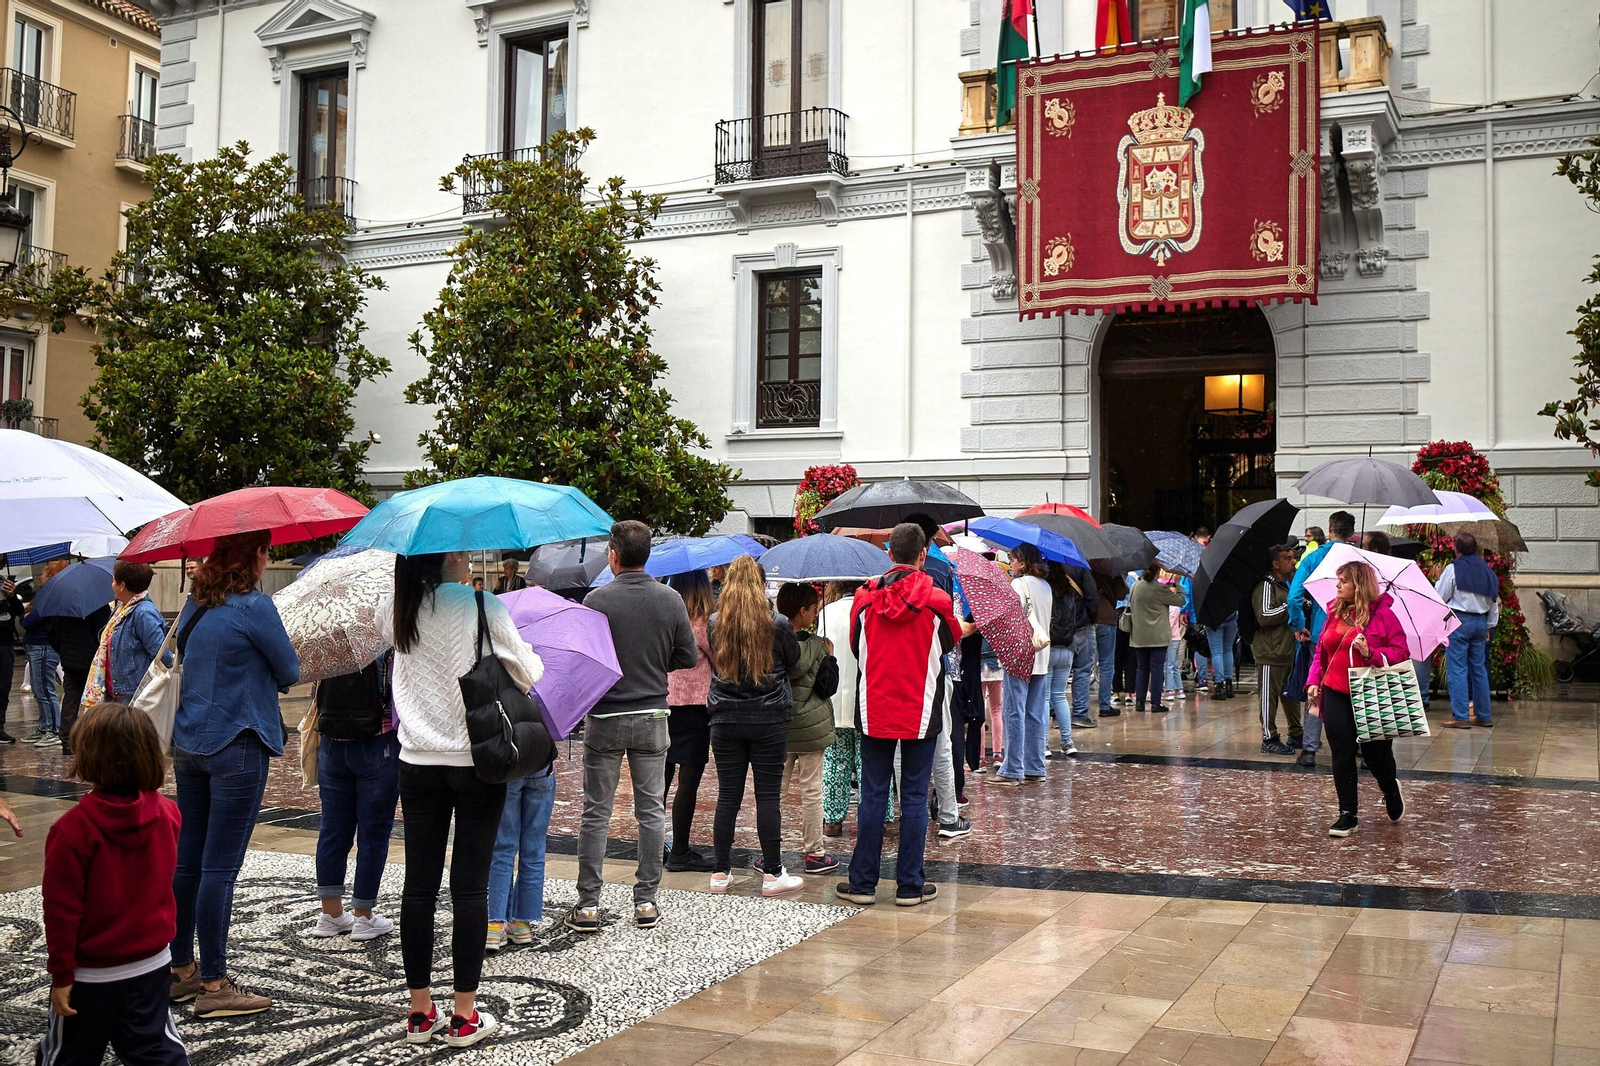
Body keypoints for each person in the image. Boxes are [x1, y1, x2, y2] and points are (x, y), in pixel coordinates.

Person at [380, 550, 542, 1047]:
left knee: (419, 887)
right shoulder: (482, 605)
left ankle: (419, 1012)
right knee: (469, 888)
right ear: (451, 556)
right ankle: (464, 1015)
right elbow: (528, 672)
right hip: (475, 761)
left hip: (418, 760)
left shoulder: (400, 608)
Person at [165, 531, 298, 1020]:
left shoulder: (195, 605)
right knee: (220, 867)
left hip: (190, 744)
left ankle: (181, 970)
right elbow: (289, 669)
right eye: (265, 552)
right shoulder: (254, 607)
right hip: (237, 743)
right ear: (255, 557)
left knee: (189, 862)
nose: (268, 559)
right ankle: (217, 985)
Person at [40, 702, 187, 1066]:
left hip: (91, 973)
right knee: (156, 1049)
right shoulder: (168, 812)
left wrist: (61, 974)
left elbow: (61, 913)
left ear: (86, 756)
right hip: (152, 962)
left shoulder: (72, 831)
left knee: (68, 1054)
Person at [569, 521, 696, 932]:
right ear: (647, 556)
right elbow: (688, 657)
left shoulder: (596, 600)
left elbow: (583, 657)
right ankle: (646, 901)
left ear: (614, 555)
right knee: (650, 811)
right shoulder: (671, 599)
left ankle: (588, 904)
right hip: (652, 716)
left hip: (605, 715)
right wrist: (656, 663)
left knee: (595, 812)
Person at [836, 523, 971, 907]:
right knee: (914, 795)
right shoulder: (937, 599)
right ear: (922, 555)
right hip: (921, 705)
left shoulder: (864, 598)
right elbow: (948, 642)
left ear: (889, 553)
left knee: (873, 794)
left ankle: (862, 882)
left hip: (875, 704)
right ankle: (909, 884)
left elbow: (856, 647)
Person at [706, 557, 802, 895]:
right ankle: (773, 874)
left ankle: (720, 872)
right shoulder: (778, 623)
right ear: (762, 586)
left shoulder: (717, 622)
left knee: (727, 796)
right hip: (769, 718)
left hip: (725, 718)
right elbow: (794, 661)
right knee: (767, 796)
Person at [1307, 560, 1410, 837]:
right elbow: (1321, 650)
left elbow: (1401, 652)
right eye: (1338, 580)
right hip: (1336, 690)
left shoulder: (1384, 617)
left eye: (1344, 581)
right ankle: (1347, 813)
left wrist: (1371, 653)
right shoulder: (1334, 611)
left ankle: (1390, 789)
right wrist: (1313, 681)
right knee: (1341, 752)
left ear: (1359, 586)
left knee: (1377, 756)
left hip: (1371, 693)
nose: (1338, 585)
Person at [310, 654, 400, 943]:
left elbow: (316, 694)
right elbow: (393, 693)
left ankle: (331, 914)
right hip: (376, 742)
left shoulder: (328, 645)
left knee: (332, 830)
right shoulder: (383, 644)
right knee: (373, 832)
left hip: (332, 745)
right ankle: (363, 915)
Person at [776, 582, 840, 873]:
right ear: (802, 611)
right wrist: (831, 656)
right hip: (812, 730)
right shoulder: (818, 645)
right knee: (812, 791)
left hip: (778, 728)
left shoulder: (772, 642)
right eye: (813, 610)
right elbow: (828, 688)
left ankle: (770, 851)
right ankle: (815, 853)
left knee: (774, 791)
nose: (815, 615)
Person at [1288, 510, 1356, 767]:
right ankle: (1358, 746)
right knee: (1355, 687)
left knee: (1316, 684)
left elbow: (1294, 597)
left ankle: (1309, 749)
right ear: (1351, 533)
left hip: (1322, 630)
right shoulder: (1358, 559)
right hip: (1355, 632)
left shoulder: (1313, 557)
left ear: (1329, 529)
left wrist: (1299, 625)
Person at [663, 569, 715, 871]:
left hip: (664, 702)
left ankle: (654, 846)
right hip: (695, 707)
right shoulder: (703, 622)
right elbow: (718, 660)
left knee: (660, 781)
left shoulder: (665, 617)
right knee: (688, 782)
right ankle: (681, 850)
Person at [819, 581, 876, 837]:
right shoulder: (872, 609)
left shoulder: (826, 612)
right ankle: (873, 816)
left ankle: (832, 819)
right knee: (869, 761)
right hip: (865, 697)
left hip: (834, 696)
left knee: (835, 761)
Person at [995, 543, 1051, 783]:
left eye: (1013, 559)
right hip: (1041, 656)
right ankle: (1035, 766)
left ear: (1023, 562)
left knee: (1013, 712)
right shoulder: (1046, 586)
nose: (1011, 564)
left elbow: (1010, 619)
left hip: (1020, 656)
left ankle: (1012, 768)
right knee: (1036, 714)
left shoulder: (1019, 584)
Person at [486, 759, 555, 951]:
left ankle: (495, 924)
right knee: (534, 848)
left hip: (509, 764)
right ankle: (521, 922)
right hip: (541, 764)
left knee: (503, 847)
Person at [1435, 531, 1498, 729]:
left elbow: (1440, 596)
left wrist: (1438, 578)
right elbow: (1494, 603)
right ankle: (1483, 715)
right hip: (1481, 622)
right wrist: (1489, 625)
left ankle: (1461, 716)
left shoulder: (1454, 569)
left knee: (1458, 669)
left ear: (1457, 548)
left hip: (1460, 621)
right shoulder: (1488, 571)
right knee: (1478, 669)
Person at [85, 562, 168, 709]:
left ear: (122, 585)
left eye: (113, 580)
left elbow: (161, 654)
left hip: (132, 695)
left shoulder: (144, 613)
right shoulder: (121, 609)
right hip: (114, 693)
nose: (112, 585)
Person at [1253, 545, 1303, 756]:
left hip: (1287, 649)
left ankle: (1296, 732)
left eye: (1292, 557)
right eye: (1287, 558)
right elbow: (1264, 614)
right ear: (1275, 564)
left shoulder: (1286, 584)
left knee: (1290, 695)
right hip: (1270, 652)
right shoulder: (1267, 585)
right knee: (1269, 697)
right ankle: (1269, 737)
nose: (1292, 561)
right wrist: (1290, 606)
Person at [49, 596, 113, 757]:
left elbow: (52, 634)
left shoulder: (63, 606)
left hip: (70, 661)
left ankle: (67, 741)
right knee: (96, 699)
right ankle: (95, 739)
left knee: (71, 699)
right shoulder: (99, 606)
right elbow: (103, 634)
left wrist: (64, 651)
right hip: (92, 660)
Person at [1044, 560, 1094, 756]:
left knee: (1045, 697)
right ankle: (1067, 742)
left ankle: (1044, 745)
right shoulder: (1069, 590)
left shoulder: (1044, 589)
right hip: (1067, 647)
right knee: (1059, 696)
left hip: (1048, 647)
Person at [20, 560, 68, 746]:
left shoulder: (51, 596)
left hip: (43, 647)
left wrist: (25, 617)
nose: (40, 576)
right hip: (36, 647)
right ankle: (44, 726)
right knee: (39, 690)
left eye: (43, 573)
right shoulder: (45, 595)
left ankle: (54, 729)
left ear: (51, 576)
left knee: (45, 690)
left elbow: (30, 621)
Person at [1127, 564, 1186, 714]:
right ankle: (1155, 702)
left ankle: (1139, 702)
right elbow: (1180, 601)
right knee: (1157, 668)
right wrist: (1178, 585)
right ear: (1158, 571)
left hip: (1139, 634)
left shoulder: (1135, 586)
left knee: (1141, 668)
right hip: (1158, 635)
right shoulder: (1160, 588)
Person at [1090, 572, 1124, 720]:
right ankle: (1104, 705)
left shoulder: (1082, 565)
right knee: (1106, 663)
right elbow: (1122, 594)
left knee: (1084, 666)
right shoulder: (1111, 568)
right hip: (1107, 618)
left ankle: (1081, 709)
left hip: (1088, 619)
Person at [1163, 577, 1186, 704]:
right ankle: (1179, 688)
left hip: (1170, 638)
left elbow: (1170, 623)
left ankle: (1169, 689)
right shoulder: (1177, 606)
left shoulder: (1170, 607)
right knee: (1175, 664)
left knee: (1168, 665)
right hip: (1177, 638)